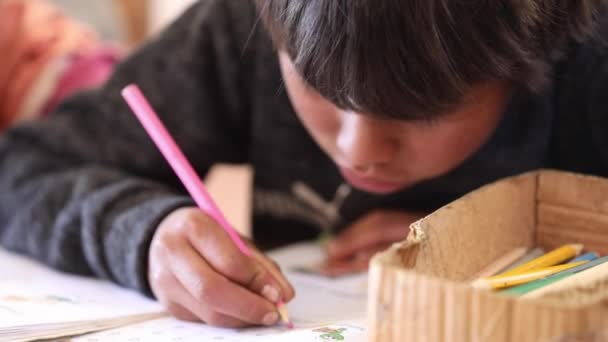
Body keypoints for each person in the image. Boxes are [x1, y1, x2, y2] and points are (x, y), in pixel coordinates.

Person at [0, 0, 606, 328]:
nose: (358, 150)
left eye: (421, 114)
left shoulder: (587, 58)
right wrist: (142, 233)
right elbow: (24, 166)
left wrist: (487, 231)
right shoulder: (244, 27)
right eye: (322, 90)